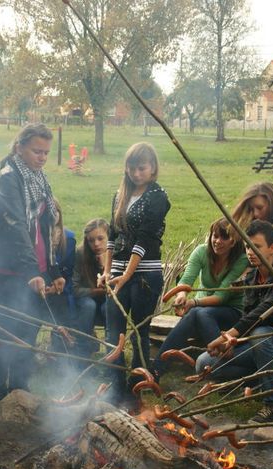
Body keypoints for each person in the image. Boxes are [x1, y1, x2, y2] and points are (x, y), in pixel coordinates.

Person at [199, 220, 273, 423]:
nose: (250, 252)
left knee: (261, 333)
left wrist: (231, 334)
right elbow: (246, 317)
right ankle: (258, 380)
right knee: (204, 363)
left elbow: (261, 314)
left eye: (256, 247)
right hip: (259, 347)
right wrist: (232, 342)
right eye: (247, 247)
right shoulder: (252, 278)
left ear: (272, 248)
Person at [0, 123, 65, 407]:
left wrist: (51, 270)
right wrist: (33, 271)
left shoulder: (39, 178)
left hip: (36, 269)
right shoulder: (9, 178)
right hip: (11, 272)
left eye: (46, 152)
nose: (42, 157)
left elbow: (47, 229)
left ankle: (19, 389)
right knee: (8, 333)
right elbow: (16, 226)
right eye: (37, 151)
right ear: (19, 147)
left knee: (29, 332)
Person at [101, 142, 170, 407]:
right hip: (118, 273)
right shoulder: (119, 195)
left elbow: (144, 239)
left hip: (144, 274)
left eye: (141, 168)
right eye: (131, 167)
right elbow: (112, 235)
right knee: (112, 332)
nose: (136, 173)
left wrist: (127, 275)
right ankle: (114, 384)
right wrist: (106, 272)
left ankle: (136, 386)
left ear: (152, 168)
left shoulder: (157, 197)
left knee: (139, 332)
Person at [153, 218, 249, 379]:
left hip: (231, 312)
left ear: (234, 241)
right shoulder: (201, 252)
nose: (217, 241)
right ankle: (157, 370)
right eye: (215, 236)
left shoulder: (241, 260)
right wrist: (182, 295)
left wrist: (193, 302)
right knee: (197, 314)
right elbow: (186, 280)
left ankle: (221, 358)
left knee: (199, 313)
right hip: (202, 312)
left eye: (224, 238)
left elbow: (222, 296)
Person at [72, 218, 110, 357]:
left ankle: (112, 354)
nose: (96, 244)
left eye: (100, 238)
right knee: (89, 305)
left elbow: (117, 289)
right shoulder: (80, 254)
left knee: (108, 307)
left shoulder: (116, 254)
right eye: (91, 240)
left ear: (108, 237)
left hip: (108, 300)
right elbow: (74, 288)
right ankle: (83, 351)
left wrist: (104, 266)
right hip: (86, 300)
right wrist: (95, 291)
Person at [48, 200, 77, 352]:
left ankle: (60, 349)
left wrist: (56, 287)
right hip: (39, 286)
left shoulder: (69, 239)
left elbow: (68, 272)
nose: (52, 215)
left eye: (55, 211)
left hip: (60, 288)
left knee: (62, 305)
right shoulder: (34, 238)